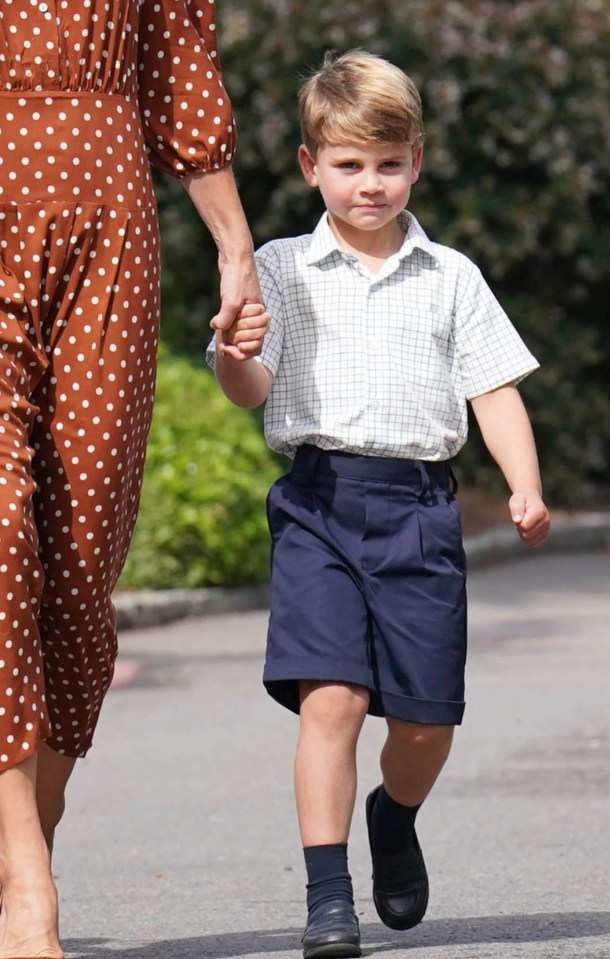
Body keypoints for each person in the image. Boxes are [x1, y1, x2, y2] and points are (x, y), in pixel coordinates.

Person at [210, 50, 551, 959]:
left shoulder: (450, 276)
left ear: (417, 162)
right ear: (309, 165)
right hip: (319, 504)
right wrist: (229, 351)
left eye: (388, 164)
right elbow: (250, 388)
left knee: (425, 722)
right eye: (349, 164)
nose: (370, 184)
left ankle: (392, 816)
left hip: (419, 512)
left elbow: (494, 389)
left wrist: (522, 481)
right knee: (332, 699)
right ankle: (329, 897)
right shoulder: (281, 269)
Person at [0, 3, 267, 956]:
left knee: (79, 563)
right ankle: (28, 887)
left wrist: (236, 248)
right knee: (1, 537)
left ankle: (29, 825)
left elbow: (181, 73)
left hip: (110, 223)